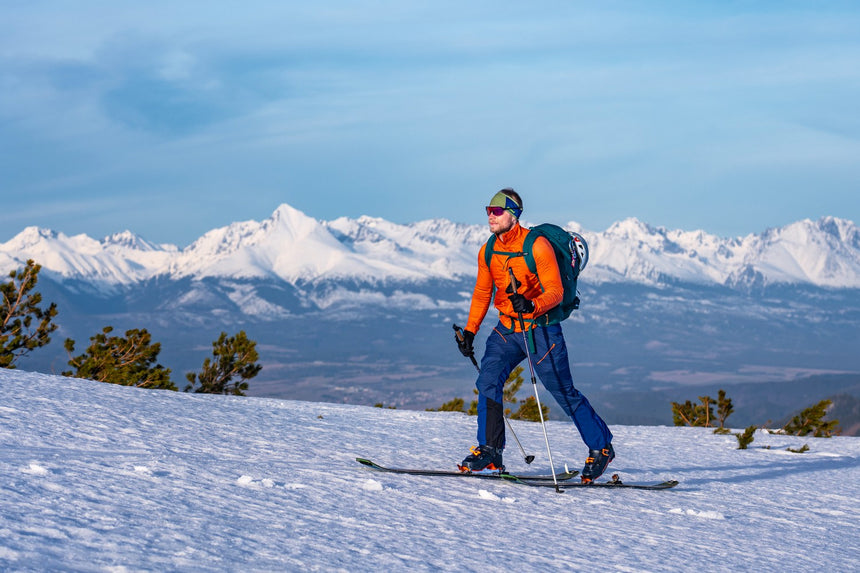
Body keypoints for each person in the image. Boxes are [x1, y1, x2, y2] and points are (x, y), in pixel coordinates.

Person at [456, 188, 614, 483]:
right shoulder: (488, 250)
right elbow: (482, 293)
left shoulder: (537, 246)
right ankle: (490, 450)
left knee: (562, 391)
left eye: (497, 211)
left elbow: (555, 291)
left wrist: (532, 305)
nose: (490, 216)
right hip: (507, 329)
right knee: (488, 380)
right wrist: (470, 331)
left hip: (540, 329)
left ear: (513, 215)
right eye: (488, 210)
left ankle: (601, 447)